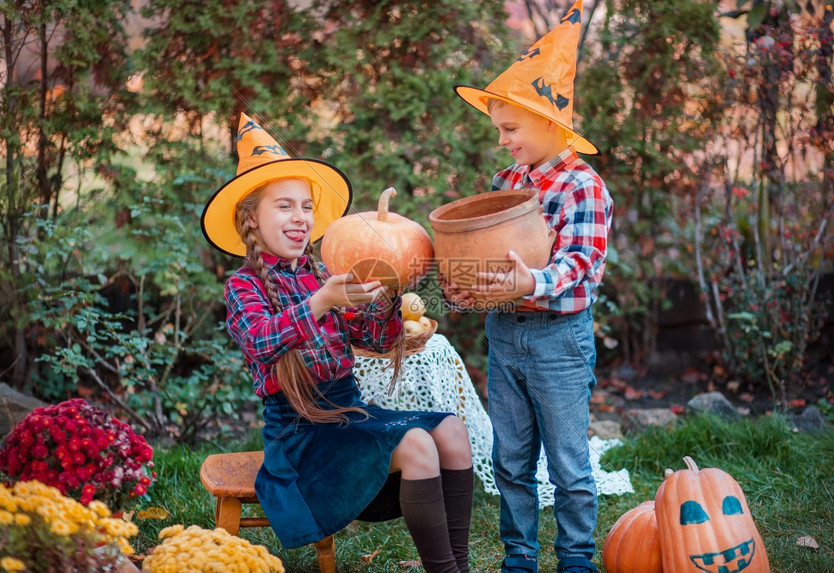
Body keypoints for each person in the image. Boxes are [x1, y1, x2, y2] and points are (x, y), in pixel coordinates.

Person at [201, 113, 474, 573]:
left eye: (306, 207)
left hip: (348, 410)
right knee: (417, 445)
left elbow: (375, 340)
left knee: (451, 430)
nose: (300, 217)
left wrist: (385, 299)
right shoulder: (242, 286)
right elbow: (261, 342)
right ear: (252, 218)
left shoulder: (321, 272)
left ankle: (459, 565)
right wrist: (321, 302)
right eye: (284, 206)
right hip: (300, 430)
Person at [445, 2, 613, 572]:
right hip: (505, 335)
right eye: (498, 131)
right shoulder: (507, 183)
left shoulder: (581, 187)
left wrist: (528, 281)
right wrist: (469, 289)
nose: (503, 142)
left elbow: (579, 267)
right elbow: (490, 258)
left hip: (558, 341)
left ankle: (576, 559)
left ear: (547, 121)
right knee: (511, 458)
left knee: (568, 462)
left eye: (510, 129)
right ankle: (519, 557)